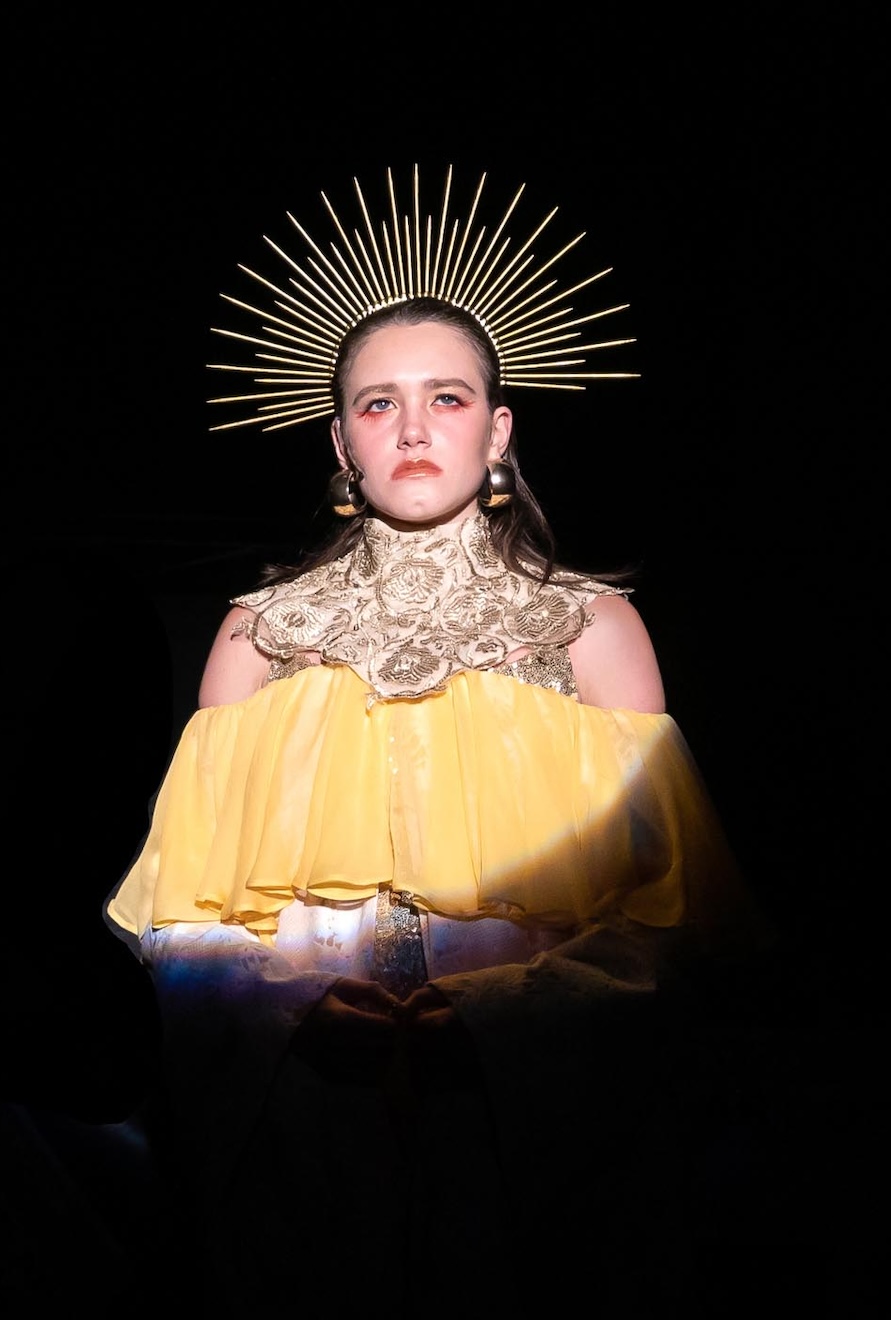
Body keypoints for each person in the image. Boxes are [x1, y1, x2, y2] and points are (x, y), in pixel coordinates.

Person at [104, 167, 785, 1314]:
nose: (412, 429)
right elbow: (180, 913)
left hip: (535, 1107)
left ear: (500, 428)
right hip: (310, 1100)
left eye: (447, 398)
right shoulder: (261, 635)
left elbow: (670, 917)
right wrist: (288, 1004)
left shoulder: (590, 626)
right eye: (378, 404)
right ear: (339, 439)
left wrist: (503, 1009)